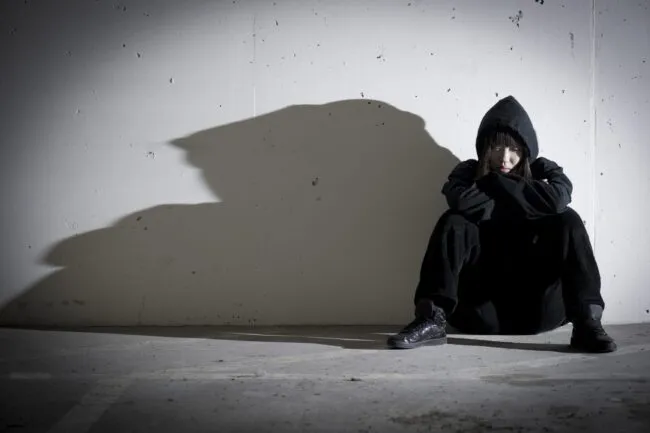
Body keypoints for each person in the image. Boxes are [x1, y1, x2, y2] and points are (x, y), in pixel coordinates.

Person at [387, 95, 616, 353]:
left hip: (539, 312)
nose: (505, 158)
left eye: (514, 150)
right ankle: (431, 318)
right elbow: (461, 201)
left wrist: (498, 186)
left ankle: (587, 323)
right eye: (496, 148)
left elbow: (557, 201)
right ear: (485, 149)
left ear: (526, 151)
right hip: (475, 314)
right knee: (454, 221)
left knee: (567, 219)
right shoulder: (467, 172)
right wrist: (527, 196)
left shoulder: (539, 173)